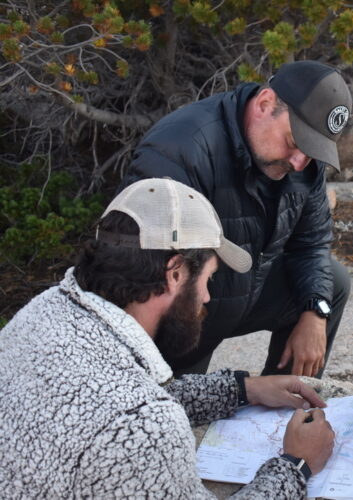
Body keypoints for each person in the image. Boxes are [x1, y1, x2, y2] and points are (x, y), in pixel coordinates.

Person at [0, 178, 335, 498]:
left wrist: (243, 390)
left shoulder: (44, 310)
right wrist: (296, 464)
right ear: (175, 273)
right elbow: (131, 417)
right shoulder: (145, 427)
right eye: (208, 278)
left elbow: (108, 399)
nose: (206, 296)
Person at [121, 60, 353, 377]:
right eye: (294, 143)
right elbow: (148, 276)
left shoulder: (301, 161)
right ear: (265, 104)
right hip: (184, 313)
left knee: (332, 285)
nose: (300, 163)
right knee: (179, 414)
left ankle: (286, 414)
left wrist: (315, 312)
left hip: (244, 291)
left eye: (312, 151)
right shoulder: (181, 149)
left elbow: (311, 245)